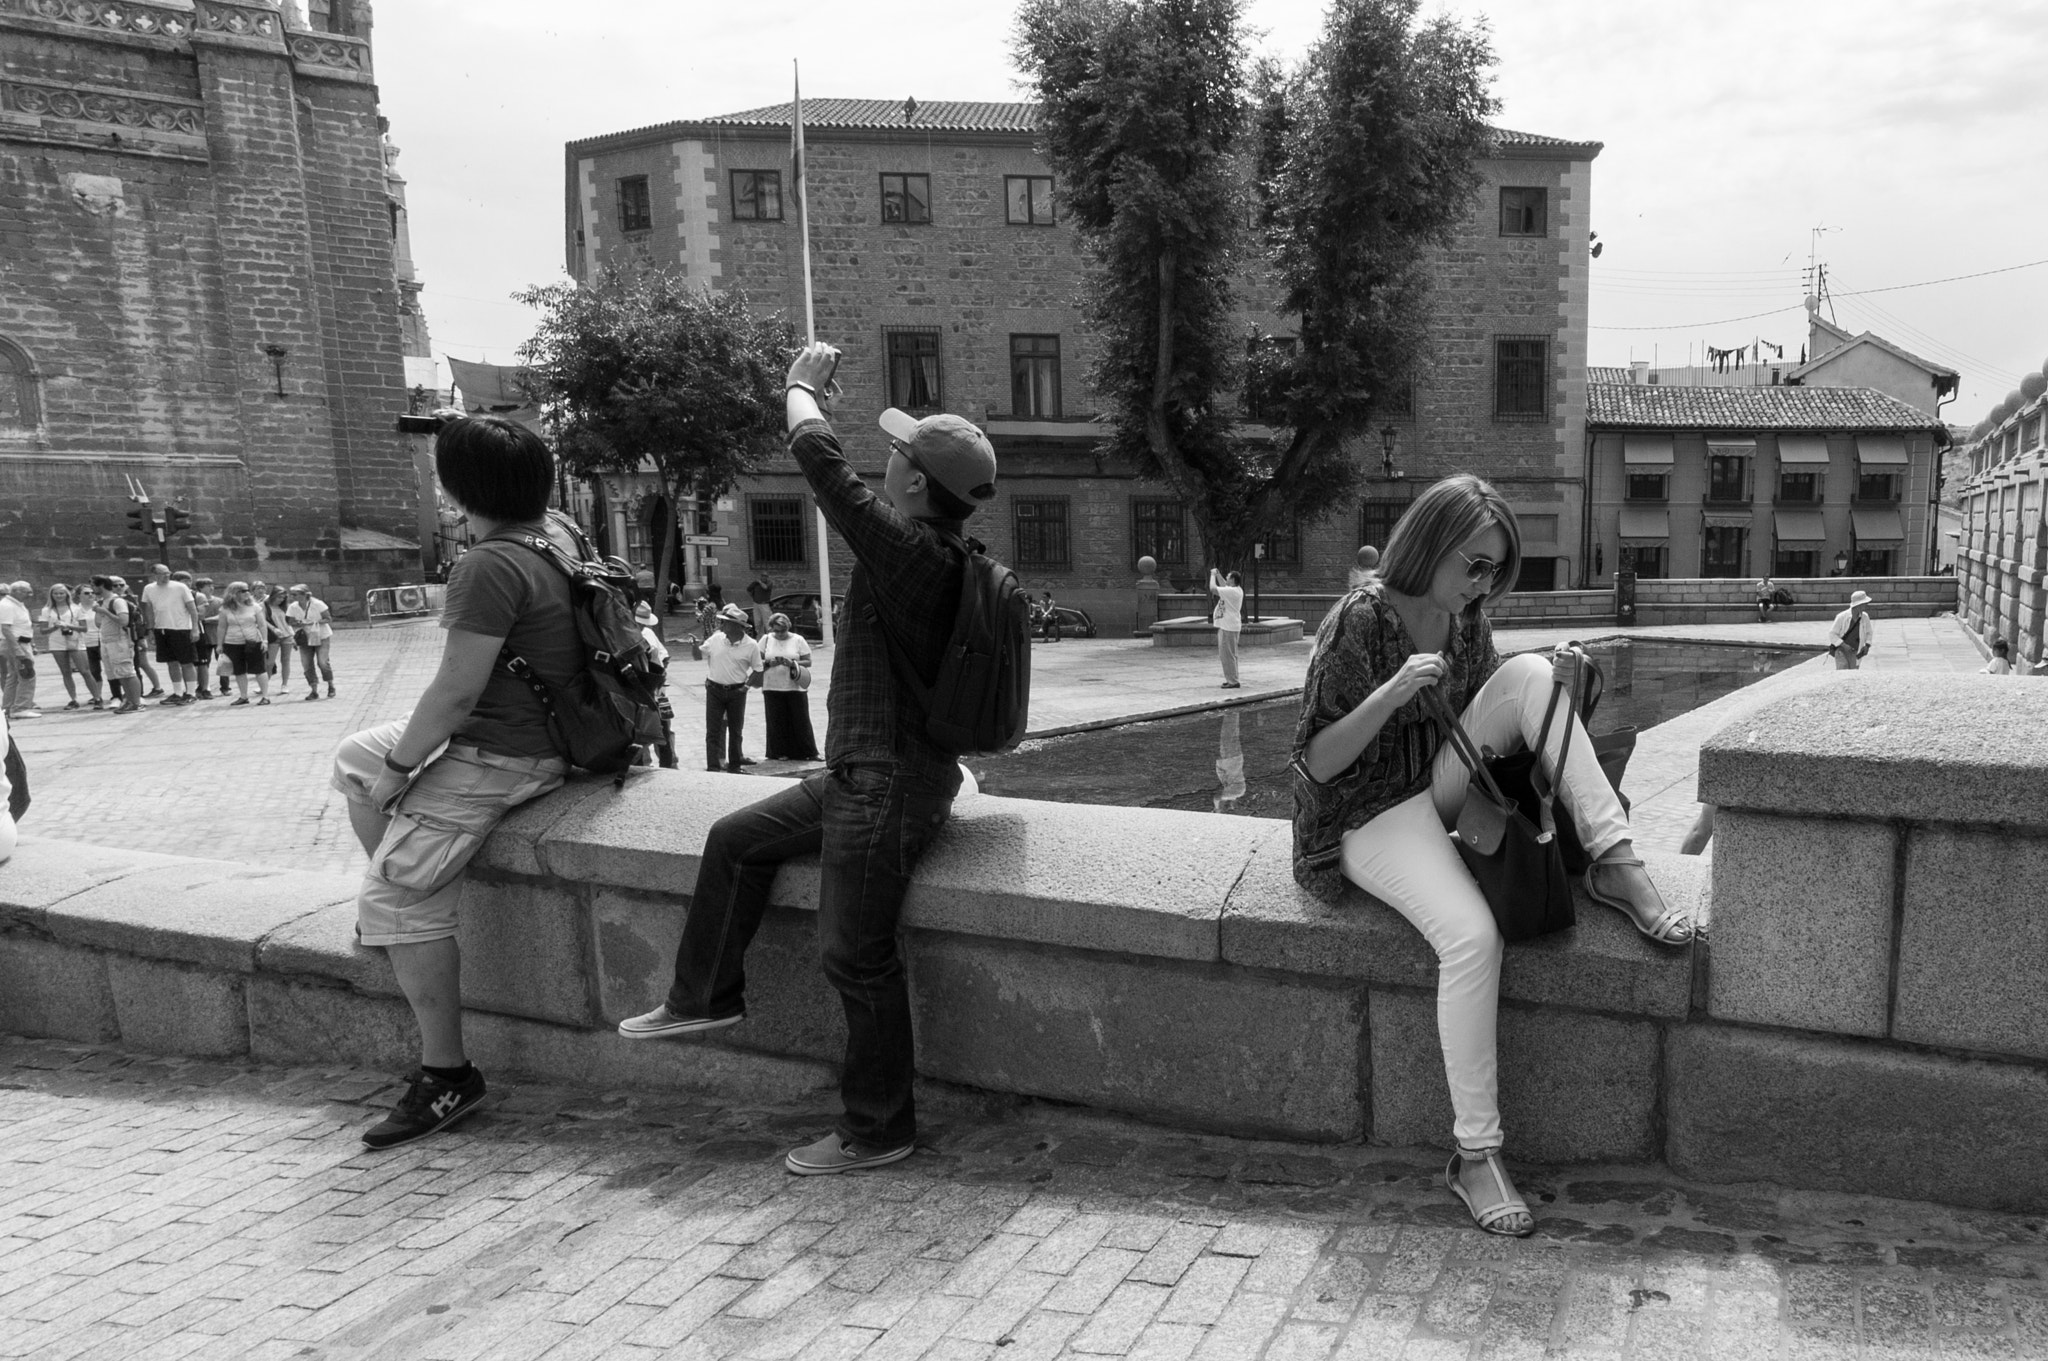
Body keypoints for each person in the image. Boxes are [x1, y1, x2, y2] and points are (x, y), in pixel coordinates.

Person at [620, 340, 999, 1177]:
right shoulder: (938, 555)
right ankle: (704, 996)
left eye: (898, 451)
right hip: (865, 774)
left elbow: (818, 459)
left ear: (910, 482)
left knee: (855, 953)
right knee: (735, 839)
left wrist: (798, 387)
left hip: (887, 786)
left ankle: (878, 1127)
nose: (887, 457)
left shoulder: (912, 553)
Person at [1291, 474, 1692, 1239]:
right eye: (1474, 566)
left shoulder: (1465, 620)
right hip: (1364, 812)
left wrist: (1562, 700)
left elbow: (1493, 733)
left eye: (1494, 573)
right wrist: (1392, 693)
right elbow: (1315, 761)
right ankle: (1476, 1156)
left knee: (1536, 674)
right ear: (1431, 543)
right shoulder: (1359, 621)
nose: (1482, 586)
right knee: (1471, 936)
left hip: (1437, 788)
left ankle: (1613, 857)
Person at [331, 416, 577, 1150]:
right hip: (549, 729)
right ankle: (411, 902)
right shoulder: (560, 535)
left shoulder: (487, 564)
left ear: (456, 485)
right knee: (353, 758)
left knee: (396, 895)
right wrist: (388, 765)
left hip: (508, 751)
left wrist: (403, 772)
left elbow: (455, 693)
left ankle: (448, 1075)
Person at [700, 603, 762, 772]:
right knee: (712, 730)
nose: (722, 625)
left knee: (736, 730)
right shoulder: (715, 639)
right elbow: (698, 654)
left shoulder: (751, 645)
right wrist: (694, 645)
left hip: (737, 691)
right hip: (714, 689)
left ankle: (734, 765)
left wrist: (746, 687)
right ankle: (713, 766)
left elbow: (758, 669)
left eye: (725, 622)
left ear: (736, 626)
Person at [759, 611, 818, 760]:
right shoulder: (765, 640)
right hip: (772, 686)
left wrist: (792, 663)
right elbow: (757, 662)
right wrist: (768, 663)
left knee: (800, 720)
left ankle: (807, 752)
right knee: (776, 721)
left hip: (794, 685)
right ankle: (779, 752)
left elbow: (808, 661)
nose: (779, 634)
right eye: (776, 631)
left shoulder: (798, 640)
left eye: (783, 631)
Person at [141, 563, 200, 705]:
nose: (166, 576)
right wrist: (150, 630)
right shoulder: (149, 589)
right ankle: (177, 692)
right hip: (161, 629)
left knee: (187, 662)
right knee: (171, 662)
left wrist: (195, 628)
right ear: (154, 575)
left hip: (181, 628)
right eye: (162, 573)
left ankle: (191, 693)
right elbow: (148, 610)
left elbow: (192, 609)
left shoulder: (180, 587)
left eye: (168, 573)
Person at [35, 584, 102, 710]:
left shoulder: (76, 608)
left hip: (75, 640)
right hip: (56, 642)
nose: (59, 596)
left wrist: (69, 626)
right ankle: (73, 699)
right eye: (56, 593)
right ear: (51, 595)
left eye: (61, 593)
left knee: (85, 671)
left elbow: (84, 628)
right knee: (66, 672)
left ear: (67, 594)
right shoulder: (47, 610)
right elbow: (43, 630)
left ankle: (97, 697)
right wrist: (55, 627)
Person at [216, 581, 278, 705]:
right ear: (234, 593)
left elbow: (261, 624)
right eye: (243, 591)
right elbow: (221, 627)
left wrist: (265, 640)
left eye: (247, 590)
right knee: (239, 670)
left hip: (253, 641)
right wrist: (219, 644)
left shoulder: (255, 607)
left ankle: (265, 696)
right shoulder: (225, 608)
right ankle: (243, 696)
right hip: (232, 642)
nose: (247, 593)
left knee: (259, 669)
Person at [634, 601, 679, 769]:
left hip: (657, 689)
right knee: (641, 731)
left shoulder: (649, 634)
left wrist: (660, 671)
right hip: (640, 691)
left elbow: (663, 656)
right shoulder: (629, 636)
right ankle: (642, 766)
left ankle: (668, 765)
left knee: (663, 730)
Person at [93, 577, 141, 714]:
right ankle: (130, 701)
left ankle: (136, 702)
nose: (92, 589)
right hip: (108, 641)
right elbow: (99, 624)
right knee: (119, 673)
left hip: (119, 640)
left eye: (93, 585)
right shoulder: (103, 602)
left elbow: (124, 621)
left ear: (101, 585)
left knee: (128, 672)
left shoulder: (117, 601)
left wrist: (104, 612)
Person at [287, 585, 336, 699]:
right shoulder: (293, 607)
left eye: (295, 594)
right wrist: (298, 625)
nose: (292, 597)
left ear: (304, 594)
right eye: (292, 594)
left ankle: (330, 685)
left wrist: (313, 622)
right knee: (306, 664)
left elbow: (328, 619)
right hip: (305, 638)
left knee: (322, 662)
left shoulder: (318, 604)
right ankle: (314, 690)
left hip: (321, 636)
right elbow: (289, 622)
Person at [0, 582, 37, 720]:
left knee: (14, 676)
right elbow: (6, 629)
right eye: (28, 592)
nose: (30, 595)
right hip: (16, 643)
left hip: (21, 642)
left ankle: (8, 707)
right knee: (27, 675)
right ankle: (21, 707)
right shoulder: (7, 605)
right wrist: (17, 650)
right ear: (17, 591)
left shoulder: (16, 604)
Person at [189, 575, 223, 697]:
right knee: (204, 663)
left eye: (212, 586)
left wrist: (206, 620)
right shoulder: (194, 600)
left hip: (217, 635)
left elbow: (222, 616)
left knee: (222, 661)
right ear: (200, 588)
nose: (211, 588)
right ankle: (203, 686)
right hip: (204, 636)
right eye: (208, 586)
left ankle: (225, 686)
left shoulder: (219, 601)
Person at [1210, 567, 1244, 689]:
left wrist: (1213, 575)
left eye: (1228, 577)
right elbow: (1224, 585)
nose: (1226, 579)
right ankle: (1232, 678)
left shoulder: (1233, 592)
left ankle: (1233, 681)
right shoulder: (1234, 590)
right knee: (1230, 654)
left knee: (1227, 655)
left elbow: (1213, 589)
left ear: (1233, 580)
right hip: (1230, 626)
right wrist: (1219, 574)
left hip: (1227, 627)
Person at [1828, 589, 1874, 670]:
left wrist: (1867, 646)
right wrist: (1844, 645)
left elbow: (1869, 633)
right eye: (1864, 604)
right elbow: (1832, 634)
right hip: (1841, 651)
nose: (1866, 606)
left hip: (1856, 652)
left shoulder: (1865, 617)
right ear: (1859, 605)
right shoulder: (1841, 617)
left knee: (1852, 675)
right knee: (1843, 672)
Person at [259, 582, 293, 690]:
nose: (281, 600)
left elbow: (289, 622)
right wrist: (273, 628)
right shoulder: (264, 605)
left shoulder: (285, 606)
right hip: (273, 636)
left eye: (283, 598)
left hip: (287, 636)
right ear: (273, 595)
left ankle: (285, 685)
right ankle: (264, 685)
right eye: (279, 597)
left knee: (285, 660)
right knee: (269, 662)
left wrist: (293, 635)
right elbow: (262, 620)